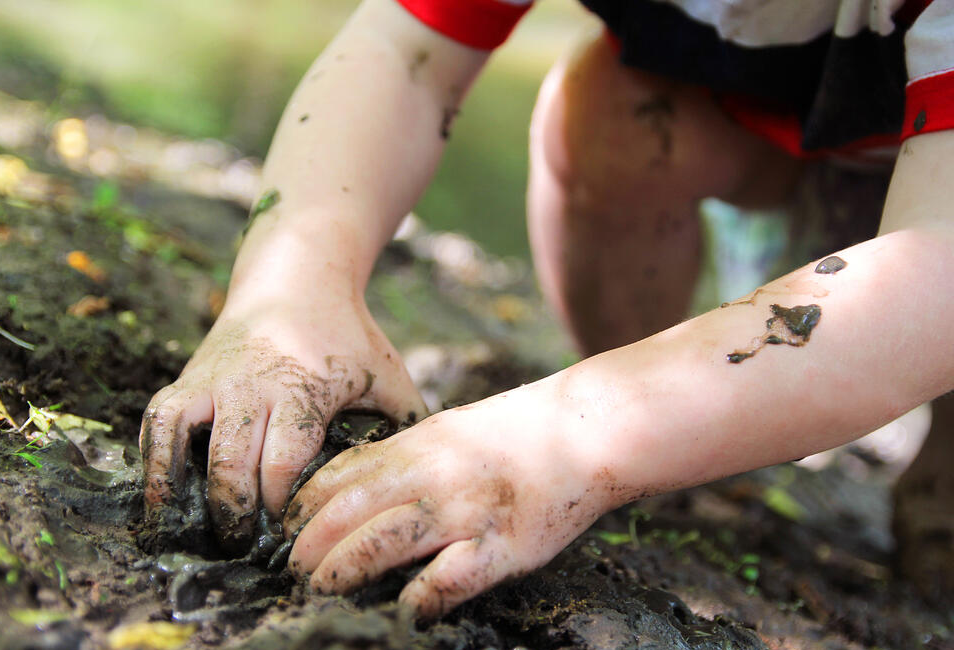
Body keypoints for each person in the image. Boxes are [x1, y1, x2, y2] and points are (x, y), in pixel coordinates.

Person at [140, 0, 954, 617]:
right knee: (615, 111)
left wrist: (569, 431)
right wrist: (292, 288)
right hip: (774, 125)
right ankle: (672, 454)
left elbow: (936, 265)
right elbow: (408, 47)